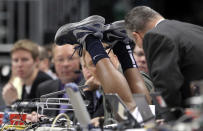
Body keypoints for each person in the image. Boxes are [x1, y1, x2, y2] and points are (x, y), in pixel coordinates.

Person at [54, 15, 151, 111]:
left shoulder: (114, 82)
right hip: (151, 123)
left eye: (94, 63)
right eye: (88, 65)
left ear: (115, 58)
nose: (98, 67)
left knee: (129, 110)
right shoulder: (108, 84)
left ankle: (88, 37)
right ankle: (121, 45)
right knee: (145, 112)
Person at [125, 6, 203, 108]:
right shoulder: (195, 29)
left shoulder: (155, 35)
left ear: (136, 36)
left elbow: (167, 88)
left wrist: (163, 119)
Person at [36, 44, 82, 116]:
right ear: (53, 62)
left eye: (70, 58)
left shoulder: (89, 88)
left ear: (80, 60)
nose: (65, 64)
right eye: (60, 59)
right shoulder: (44, 89)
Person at [2, 39, 52, 106]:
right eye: (15, 60)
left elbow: (38, 114)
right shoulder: (25, 83)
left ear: (36, 61)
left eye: (24, 59)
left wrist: (15, 102)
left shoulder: (44, 83)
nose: (19, 64)